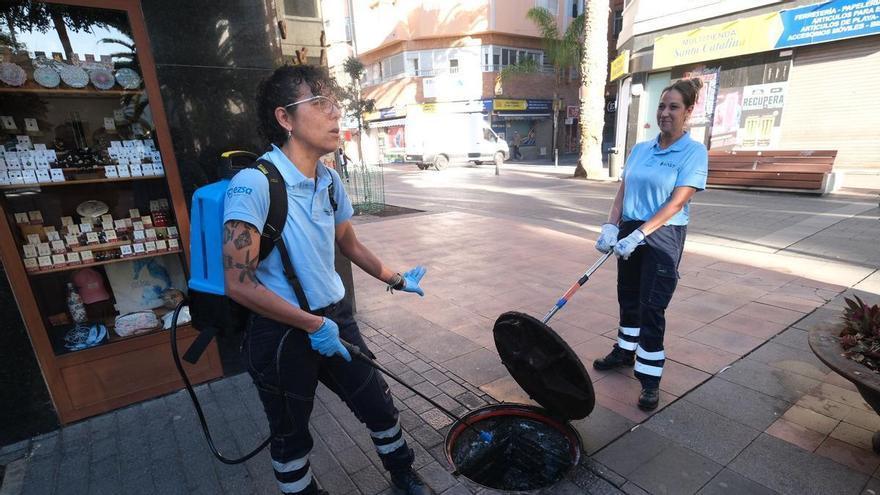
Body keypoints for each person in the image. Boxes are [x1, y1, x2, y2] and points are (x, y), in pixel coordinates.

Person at [223, 65, 433, 495]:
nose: (336, 115)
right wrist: (311, 325)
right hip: (281, 331)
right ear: (286, 118)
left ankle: (402, 472)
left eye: (335, 104)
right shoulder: (253, 185)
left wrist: (396, 278)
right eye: (320, 105)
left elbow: (349, 245)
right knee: (290, 435)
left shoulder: (331, 181)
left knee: (378, 404)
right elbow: (238, 283)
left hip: (336, 318)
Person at [592, 78, 708, 411]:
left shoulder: (693, 152)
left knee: (652, 307)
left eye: (674, 107)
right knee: (627, 296)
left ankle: (650, 377)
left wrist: (641, 234)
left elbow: (677, 202)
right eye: (662, 106)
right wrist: (610, 226)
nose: (666, 113)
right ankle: (625, 352)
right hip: (629, 229)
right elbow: (623, 191)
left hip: (662, 234)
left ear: (687, 111)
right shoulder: (641, 149)